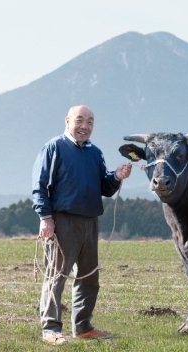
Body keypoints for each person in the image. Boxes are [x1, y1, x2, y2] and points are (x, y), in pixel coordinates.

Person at [32, 105, 132, 345]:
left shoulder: (95, 153)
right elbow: (40, 185)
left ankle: (83, 327)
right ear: (67, 121)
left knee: (89, 278)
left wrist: (117, 176)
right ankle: (51, 329)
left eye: (90, 122)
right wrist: (45, 218)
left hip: (90, 222)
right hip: (61, 221)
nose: (85, 126)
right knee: (57, 276)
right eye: (80, 120)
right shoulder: (54, 147)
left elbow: (105, 188)